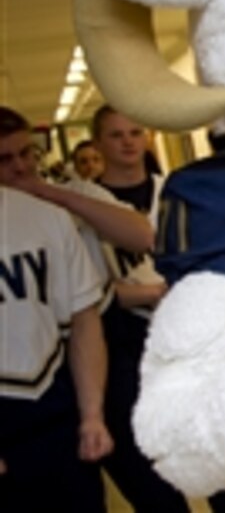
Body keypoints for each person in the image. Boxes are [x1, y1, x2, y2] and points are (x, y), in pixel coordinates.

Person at [92, 105, 225, 512]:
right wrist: (142, 294)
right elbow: (84, 290)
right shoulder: (87, 204)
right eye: (116, 135)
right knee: (153, 466)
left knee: (217, 457)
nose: (128, 142)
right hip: (128, 343)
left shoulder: (178, 190)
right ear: (98, 143)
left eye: (135, 132)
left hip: (193, 338)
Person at [0, 131, 114, 510]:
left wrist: (92, 416)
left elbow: (84, 320)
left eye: (23, 154)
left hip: (54, 406)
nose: (16, 166)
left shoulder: (48, 219)